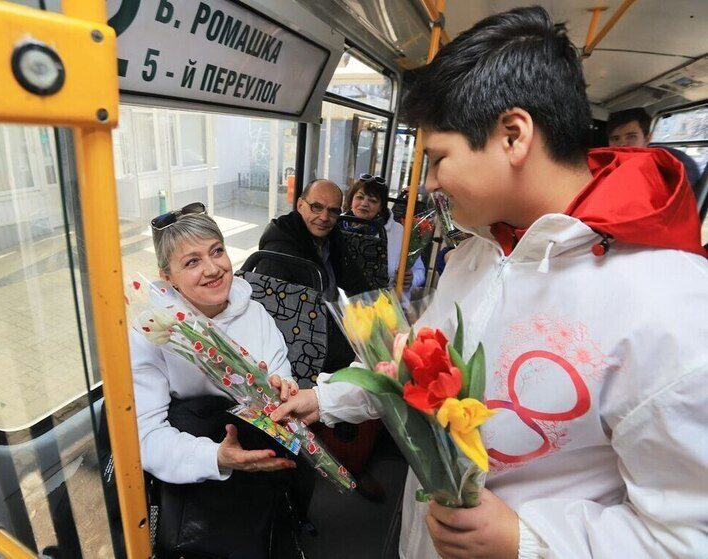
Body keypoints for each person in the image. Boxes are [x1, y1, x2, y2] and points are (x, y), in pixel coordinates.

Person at [272, 6, 708, 559]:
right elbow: (415, 372)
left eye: (438, 159)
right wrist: (324, 399)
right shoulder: (477, 255)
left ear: (512, 135)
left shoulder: (672, 307)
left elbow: (688, 536)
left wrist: (527, 541)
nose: (430, 184)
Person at [129, 203, 301, 557]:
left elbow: (282, 373)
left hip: (261, 456)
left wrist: (283, 389)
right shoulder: (153, 335)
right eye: (191, 262)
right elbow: (144, 436)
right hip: (195, 474)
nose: (212, 269)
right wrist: (216, 458)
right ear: (167, 277)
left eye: (217, 251)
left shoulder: (256, 313)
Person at [258, 179, 385, 502]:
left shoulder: (334, 242)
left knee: (378, 359)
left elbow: (355, 284)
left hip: (334, 329)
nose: (324, 217)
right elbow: (282, 320)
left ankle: (353, 459)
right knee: (364, 371)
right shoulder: (280, 250)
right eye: (316, 207)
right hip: (301, 345)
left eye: (332, 210)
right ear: (300, 204)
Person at [343, 174, 426, 292]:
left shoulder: (399, 232)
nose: (364, 203)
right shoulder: (336, 226)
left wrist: (411, 280)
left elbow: (420, 271)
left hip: (384, 302)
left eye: (373, 200)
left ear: (381, 207)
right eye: (360, 197)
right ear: (351, 199)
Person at [608, 107, 701, 186]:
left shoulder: (669, 164)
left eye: (631, 136)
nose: (622, 144)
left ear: (647, 138)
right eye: (615, 139)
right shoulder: (606, 164)